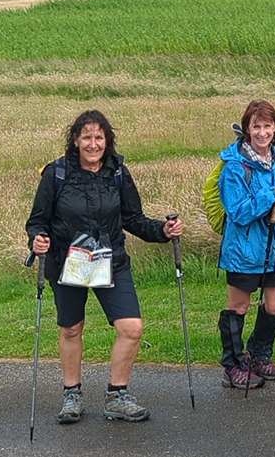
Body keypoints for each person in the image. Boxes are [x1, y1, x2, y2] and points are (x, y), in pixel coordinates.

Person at [26, 110, 183, 423]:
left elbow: (133, 218)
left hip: (111, 262)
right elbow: (38, 221)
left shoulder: (118, 172)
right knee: (71, 328)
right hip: (67, 263)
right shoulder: (56, 174)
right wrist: (38, 239)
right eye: (87, 137)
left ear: (107, 141)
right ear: (75, 140)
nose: (93, 143)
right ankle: (72, 395)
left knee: (132, 328)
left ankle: (117, 395)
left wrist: (162, 232)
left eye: (99, 137)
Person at [217, 100, 275, 389]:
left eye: (267, 126)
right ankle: (233, 364)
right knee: (239, 306)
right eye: (256, 126)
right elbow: (237, 212)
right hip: (243, 249)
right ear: (247, 129)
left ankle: (258, 355)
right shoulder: (234, 167)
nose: (262, 132)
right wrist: (271, 195)